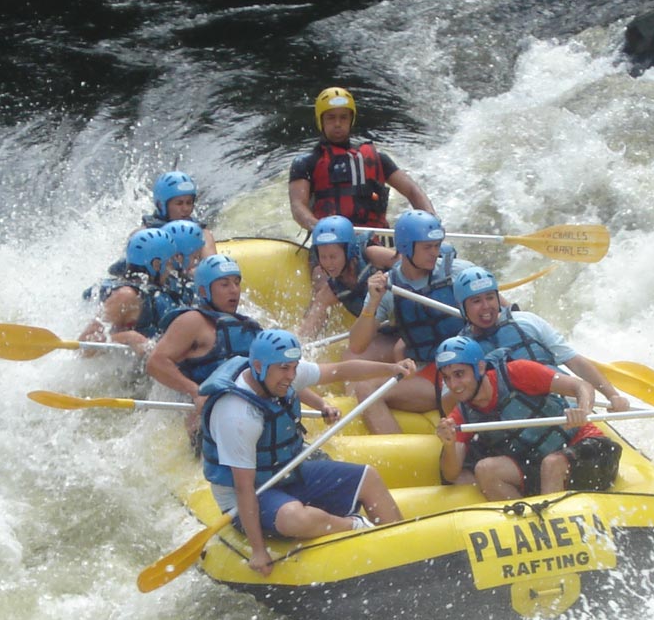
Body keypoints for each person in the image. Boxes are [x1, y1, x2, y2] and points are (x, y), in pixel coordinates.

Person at [200, 330, 416, 575]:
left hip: (288, 471)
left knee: (369, 477)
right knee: (294, 517)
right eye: (284, 368)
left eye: (294, 367)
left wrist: (390, 368)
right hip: (249, 494)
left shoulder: (280, 373)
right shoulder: (237, 415)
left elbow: (340, 370)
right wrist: (259, 551)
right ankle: (355, 525)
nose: (291, 375)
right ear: (258, 366)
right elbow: (243, 487)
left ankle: (406, 555)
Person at [432, 337, 624, 500]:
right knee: (485, 469)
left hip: (591, 450)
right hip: (542, 466)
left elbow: (581, 386)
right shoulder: (461, 415)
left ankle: (551, 524)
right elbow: (451, 474)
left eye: (459, 374)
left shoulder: (518, 373)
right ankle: (532, 519)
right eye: (447, 378)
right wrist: (448, 445)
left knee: (552, 464)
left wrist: (583, 409)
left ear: (480, 368)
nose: (454, 385)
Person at [346, 210, 478, 431]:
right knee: (366, 388)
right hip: (431, 372)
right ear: (406, 247)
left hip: (468, 364)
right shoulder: (387, 286)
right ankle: (397, 453)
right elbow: (357, 345)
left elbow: (501, 310)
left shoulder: (458, 272)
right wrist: (372, 304)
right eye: (428, 247)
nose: (434, 253)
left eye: (437, 245)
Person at [451, 266, 632, 414]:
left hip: (560, 409)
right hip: (508, 420)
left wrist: (612, 396)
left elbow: (575, 362)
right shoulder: (459, 347)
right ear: (462, 307)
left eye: (490, 297)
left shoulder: (526, 321)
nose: (486, 307)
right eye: (476, 301)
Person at [288, 86, 435, 232]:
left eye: (343, 117)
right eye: (331, 117)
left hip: (375, 239)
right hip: (330, 245)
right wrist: (320, 228)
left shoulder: (378, 158)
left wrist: (431, 221)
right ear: (321, 120)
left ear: (351, 119)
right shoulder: (306, 163)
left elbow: (412, 190)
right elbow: (298, 206)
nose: (338, 124)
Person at [147, 253, 263, 401]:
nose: (234, 290)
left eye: (236, 283)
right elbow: (155, 363)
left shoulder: (247, 324)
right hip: (202, 413)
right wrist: (196, 392)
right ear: (203, 291)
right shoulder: (193, 320)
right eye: (224, 284)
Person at [80, 227, 179, 357]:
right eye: (169, 262)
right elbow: (83, 347)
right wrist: (128, 337)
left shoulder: (154, 289)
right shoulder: (126, 296)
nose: (171, 268)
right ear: (156, 265)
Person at [296, 214, 397, 339]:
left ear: (348, 251)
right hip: (387, 334)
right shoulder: (330, 291)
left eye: (333, 257)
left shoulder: (372, 254)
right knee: (350, 356)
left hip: (410, 320)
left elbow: (411, 267)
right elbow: (305, 334)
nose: (328, 263)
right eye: (323, 257)